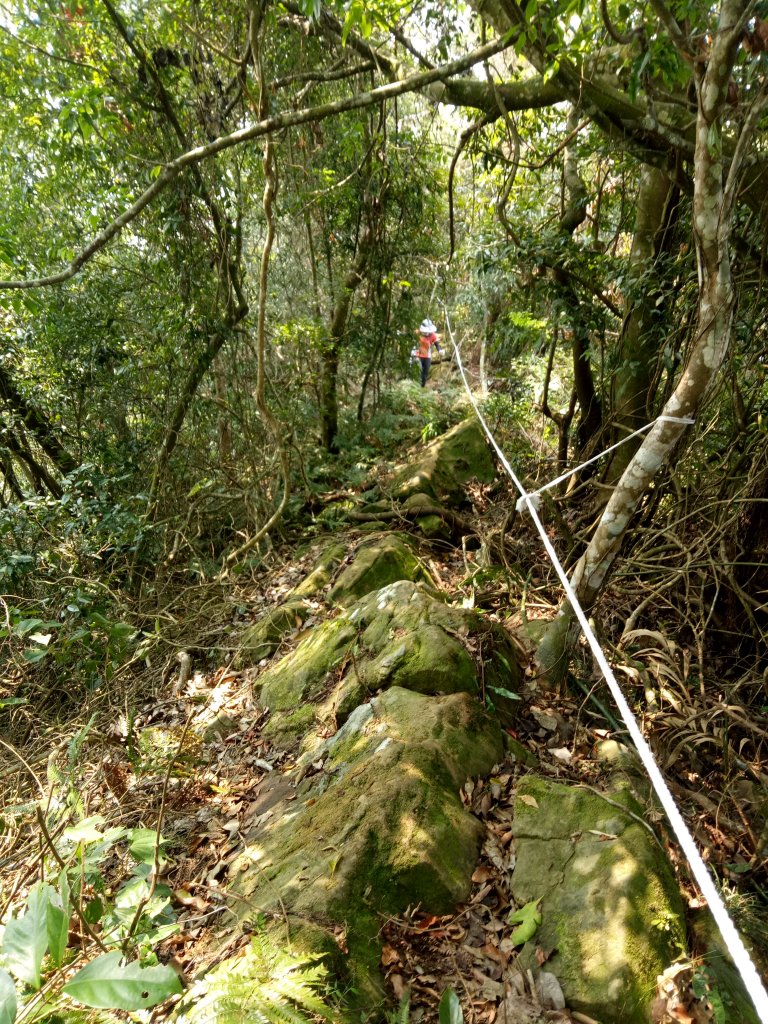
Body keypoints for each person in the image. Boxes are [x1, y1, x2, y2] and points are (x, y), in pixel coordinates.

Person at [414, 318, 441, 387]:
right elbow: (409, 335)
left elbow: (437, 344)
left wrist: (440, 350)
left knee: (425, 373)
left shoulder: (433, 335)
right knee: (418, 371)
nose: (426, 333)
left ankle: (422, 387)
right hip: (418, 355)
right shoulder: (418, 333)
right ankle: (415, 386)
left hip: (427, 356)